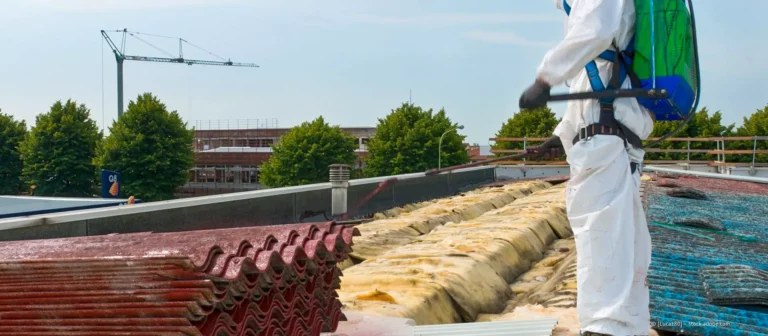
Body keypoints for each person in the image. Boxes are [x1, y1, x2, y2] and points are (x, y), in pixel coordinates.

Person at [519, 0, 654, 335]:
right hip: (613, 132)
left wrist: (545, 78)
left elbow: (595, 29)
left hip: (606, 135)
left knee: (601, 233)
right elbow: (590, 83)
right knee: (626, 239)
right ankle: (627, 326)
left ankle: (605, 327)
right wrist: (562, 135)